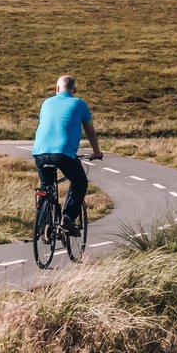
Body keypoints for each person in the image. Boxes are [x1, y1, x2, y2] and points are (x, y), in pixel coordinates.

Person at [32, 74, 102, 234]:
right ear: (74, 90)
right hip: (63, 154)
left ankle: (43, 227)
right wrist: (96, 152)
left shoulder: (46, 102)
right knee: (79, 183)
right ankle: (67, 218)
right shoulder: (79, 103)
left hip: (39, 153)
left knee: (46, 186)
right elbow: (90, 131)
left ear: (56, 89)